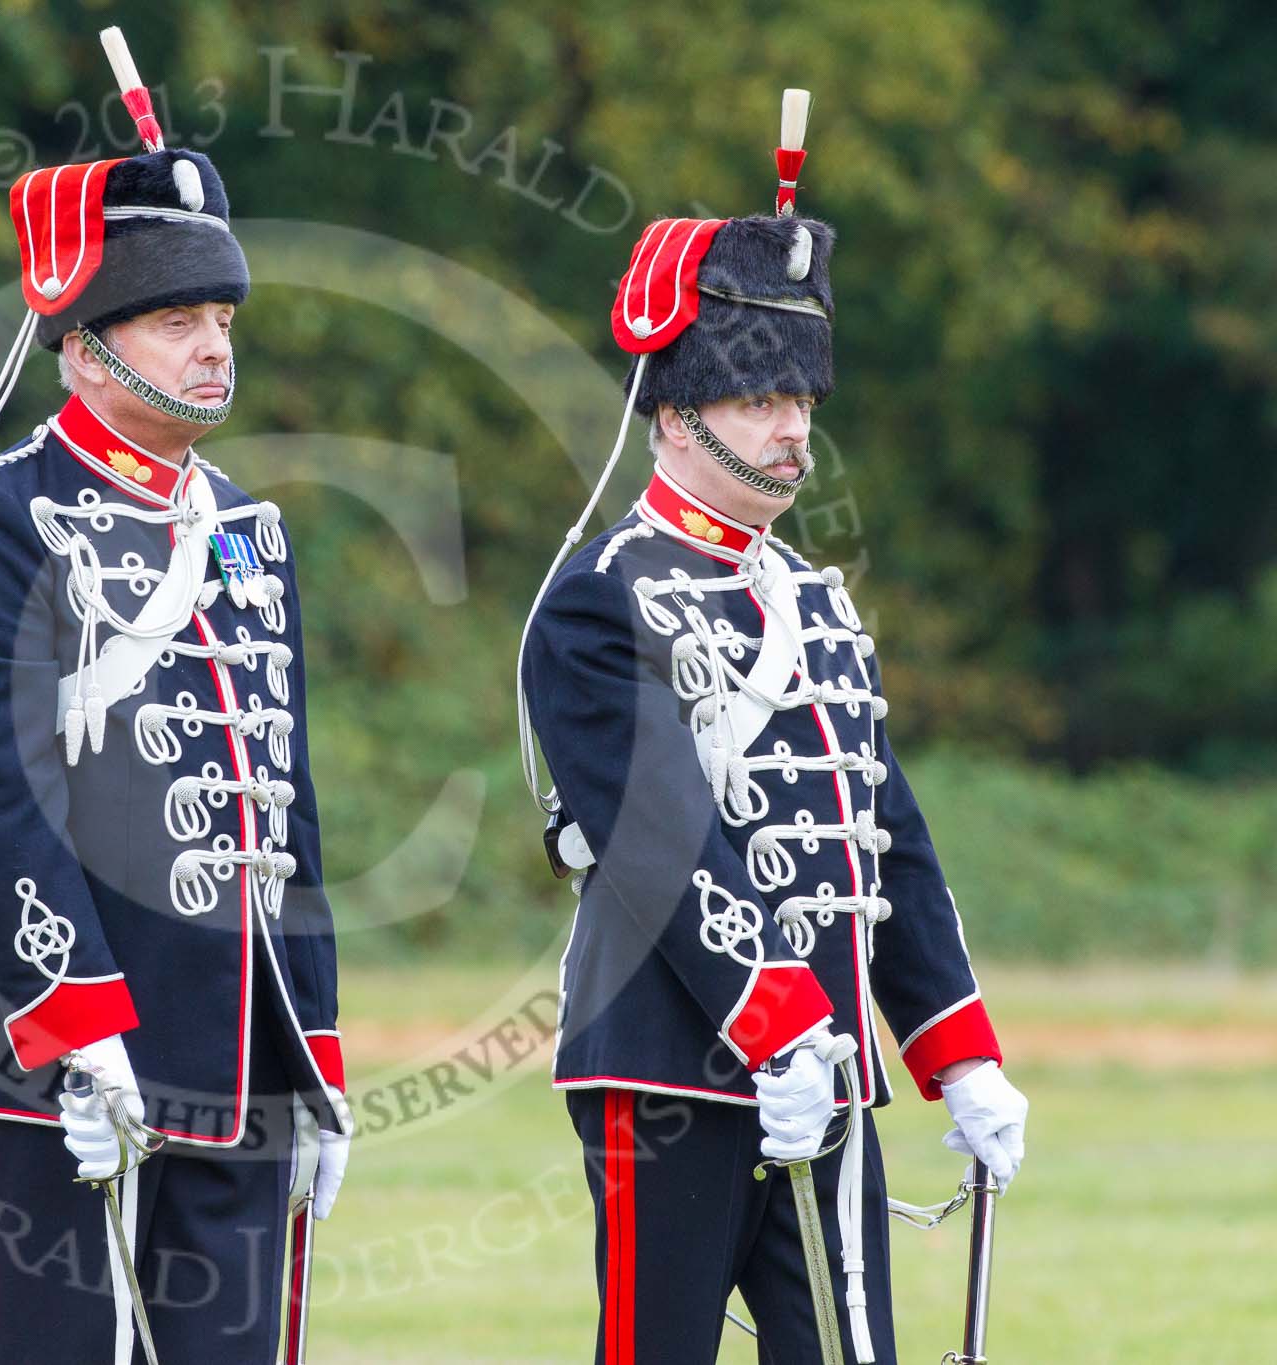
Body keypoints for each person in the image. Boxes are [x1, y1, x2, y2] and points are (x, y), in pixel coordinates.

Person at [516, 93, 1028, 1363]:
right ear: (677, 407)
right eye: (759, 397)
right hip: (664, 1066)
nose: (793, 425)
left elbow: (879, 837)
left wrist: (953, 1046)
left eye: (802, 393)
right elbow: (655, 847)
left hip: (828, 1064)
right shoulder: (598, 597)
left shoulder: (809, 598)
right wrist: (779, 1026)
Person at [0, 48, 347, 1365]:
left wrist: (313, 1050)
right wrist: (77, 1023)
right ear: (81, 344)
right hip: (45, 1053)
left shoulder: (249, 531)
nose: (214, 343)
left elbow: (282, 806)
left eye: (223, 315)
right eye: (176, 316)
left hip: (242, 1054)